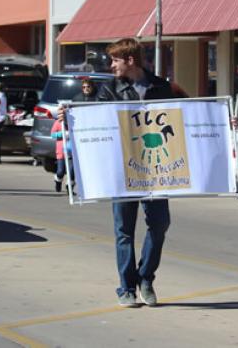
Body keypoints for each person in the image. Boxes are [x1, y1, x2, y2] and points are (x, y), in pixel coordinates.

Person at [95, 38, 175, 308]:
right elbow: (95, 122)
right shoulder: (109, 89)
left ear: (130, 60)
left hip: (156, 167)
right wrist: (67, 116)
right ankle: (126, 288)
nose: (111, 65)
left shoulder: (160, 86)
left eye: (115, 60)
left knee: (160, 223)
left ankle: (146, 279)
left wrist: (224, 120)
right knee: (124, 230)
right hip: (123, 168)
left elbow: (188, 114)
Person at [50, 118, 75, 194]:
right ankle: (58, 181)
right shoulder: (58, 123)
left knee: (71, 172)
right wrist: (63, 134)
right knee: (60, 171)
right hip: (61, 151)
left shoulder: (74, 122)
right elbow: (53, 135)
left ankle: (70, 189)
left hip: (72, 151)